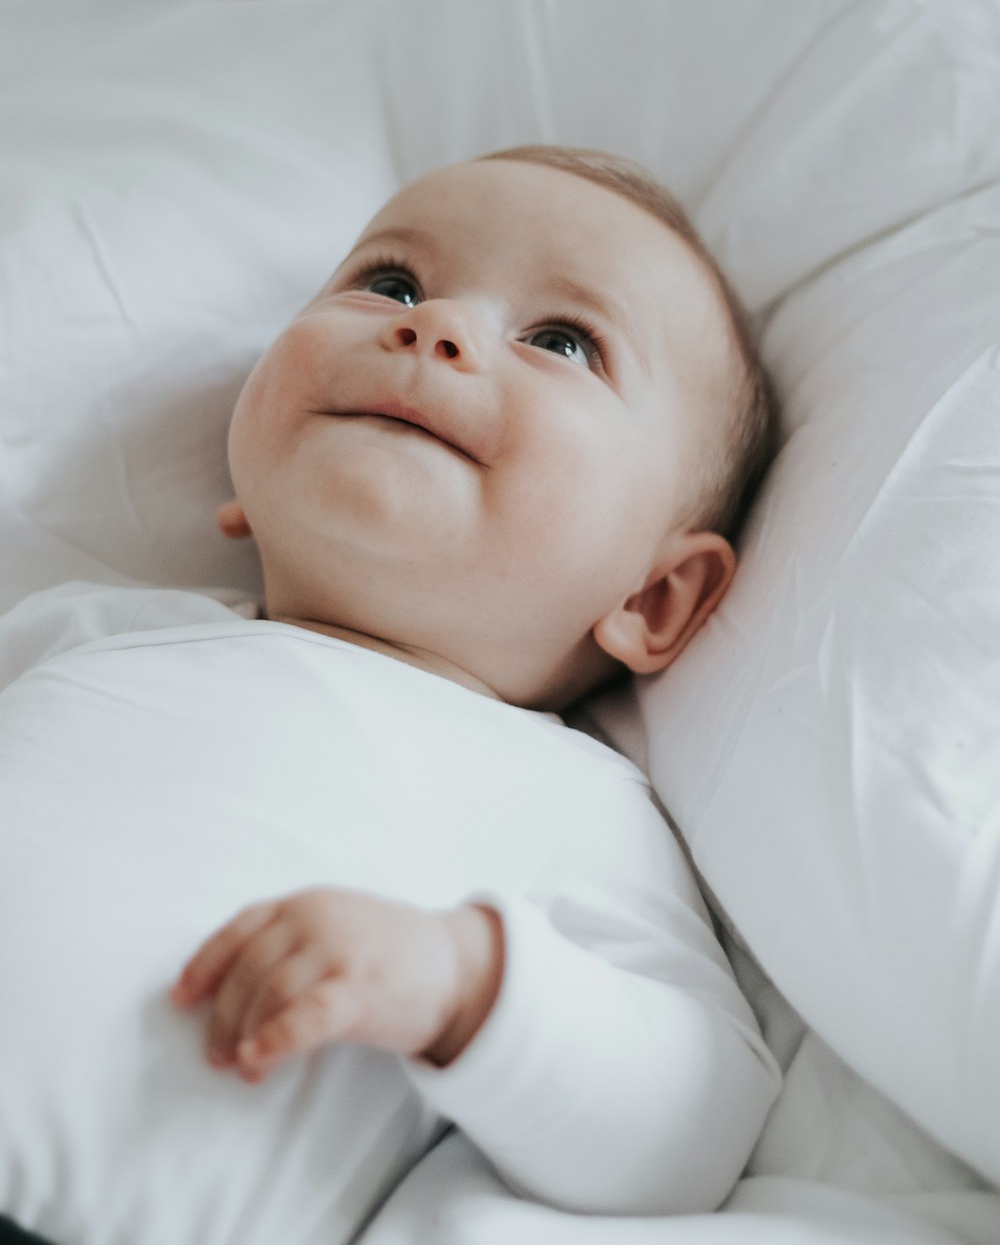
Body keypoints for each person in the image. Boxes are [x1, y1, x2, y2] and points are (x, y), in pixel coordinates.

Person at [0, 145, 781, 1237]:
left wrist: (466, 985)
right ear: (241, 487)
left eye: (562, 341)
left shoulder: (568, 800)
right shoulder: (85, 630)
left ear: (652, 596)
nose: (435, 326)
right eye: (390, 284)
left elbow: (691, 1127)